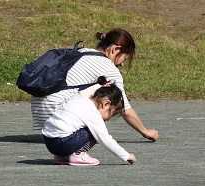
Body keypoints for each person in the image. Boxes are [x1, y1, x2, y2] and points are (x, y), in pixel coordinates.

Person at [31, 28, 159, 163]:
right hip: (58, 117)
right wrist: (145, 131)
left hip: (43, 116)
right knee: (110, 90)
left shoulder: (82, 51)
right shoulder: (109, 68)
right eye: (124, 58)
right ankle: (78, 153)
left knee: (100, 87)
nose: (121, 63)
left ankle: (66, 152)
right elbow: (124, 109)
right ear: (116, 50)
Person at [42, 84, 136, 166]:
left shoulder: (80, 99)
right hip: (63, 143)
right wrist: (126, 156)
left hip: (49, 142)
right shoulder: (92, 112)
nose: (108, 119)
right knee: (96, 132)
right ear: (106, 104)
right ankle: (78, 155)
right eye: (112, 114)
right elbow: (105, 139)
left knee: (81, 128)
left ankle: (63, 157)